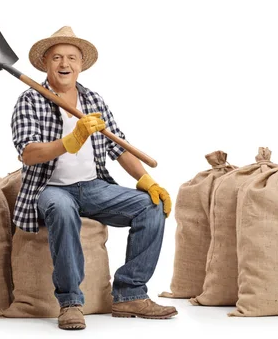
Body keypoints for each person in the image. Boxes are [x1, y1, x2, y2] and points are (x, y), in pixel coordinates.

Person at [11, 26, 177, 330]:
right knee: (61, 209)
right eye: (57, 57)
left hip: (93, 187)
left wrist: (147, 181)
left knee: (150, 206)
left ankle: (129, 294)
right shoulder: (29, 101)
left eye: (72, 58)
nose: (65, 64)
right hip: (50, 189)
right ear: (45, 64)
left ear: (81, 65)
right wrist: (71, 140)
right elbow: (29, 153)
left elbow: (119, 147)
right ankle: (71, 302)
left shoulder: (93, 100)